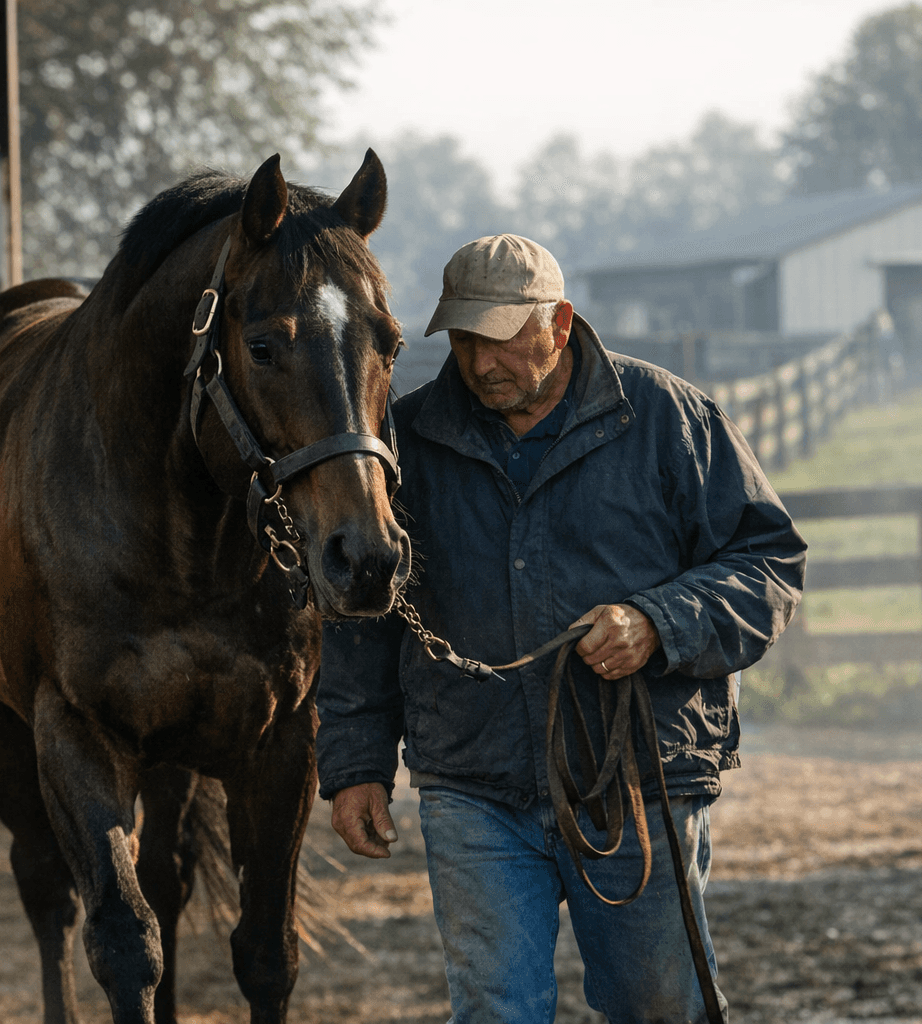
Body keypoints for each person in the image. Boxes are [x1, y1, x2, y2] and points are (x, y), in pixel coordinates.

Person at [316, 234, 806, 1023]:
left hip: (638, 780)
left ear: (561, 321)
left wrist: (658, 620)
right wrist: (354, 763)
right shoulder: (407, 443)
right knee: (494, 1012)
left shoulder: (669, 419)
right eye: (465, 339)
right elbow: (362, 618)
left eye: (504, 336)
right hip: (472, 786)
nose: (481, 363)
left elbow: (769, 563)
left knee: (658, 1009)